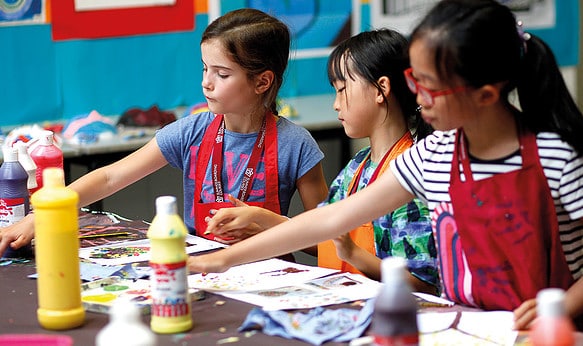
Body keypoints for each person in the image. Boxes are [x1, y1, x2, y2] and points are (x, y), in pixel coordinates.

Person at [188, 0, 583, 331]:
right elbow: (330, 219)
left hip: (543, 331)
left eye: (429, 84)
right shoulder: (437, 154)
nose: (416, 94)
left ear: (484, 95)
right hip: (468, 325)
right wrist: (217, 261)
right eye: (414, 77)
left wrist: (564, 306)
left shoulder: (555, 159)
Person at [0, 8, 328, 253]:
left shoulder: (296, 145)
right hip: (197, 269)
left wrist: (270, 225)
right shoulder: (191, 132)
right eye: (204, 69)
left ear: (262, 81)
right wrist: (40, 215)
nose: (206, 82)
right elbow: (110, 177)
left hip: (269, 277)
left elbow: (326, 239)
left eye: (222, 74)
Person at [204, 29, 438, 294]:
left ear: (381, 89)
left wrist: (353, 254)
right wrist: (262, 219)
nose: (336, 104)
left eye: (341, 90)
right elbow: (321, 229)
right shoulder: (357, 166)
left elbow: (425, 286)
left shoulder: (411, 173)